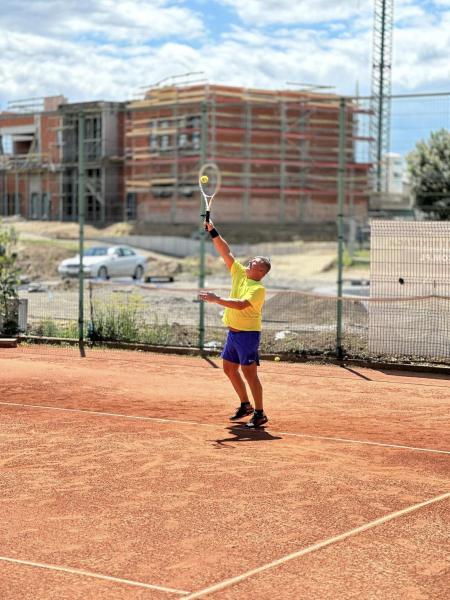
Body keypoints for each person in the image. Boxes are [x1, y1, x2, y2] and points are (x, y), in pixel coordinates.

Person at [198, 221, 271, 428]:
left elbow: (240, 305)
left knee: (250, 374)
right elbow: (225, 251)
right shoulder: (239, 273)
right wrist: (212, 230)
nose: (250, 262)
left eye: (255, 262)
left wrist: (216, 299)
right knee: (229, 369)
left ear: (261, 271)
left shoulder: (258, 289)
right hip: (233, 333)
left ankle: (260, 413)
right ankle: (245, 405)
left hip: (248, 335)